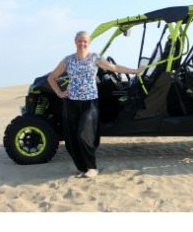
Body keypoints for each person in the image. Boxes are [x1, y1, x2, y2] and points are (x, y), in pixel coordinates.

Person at [48, 30, 144, 178]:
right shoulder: (68, 60)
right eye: (80, 41)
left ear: (89, 43)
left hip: (90, 102)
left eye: (85, 41)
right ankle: (82, 168)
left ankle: (92, 167)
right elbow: (52, 77)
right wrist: (59, 93)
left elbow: (114, 68)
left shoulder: (94, 58)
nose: (82, 43)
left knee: (84, 135)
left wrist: (135, 71)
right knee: (72, 139)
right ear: (75, 42)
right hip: (71, 103)